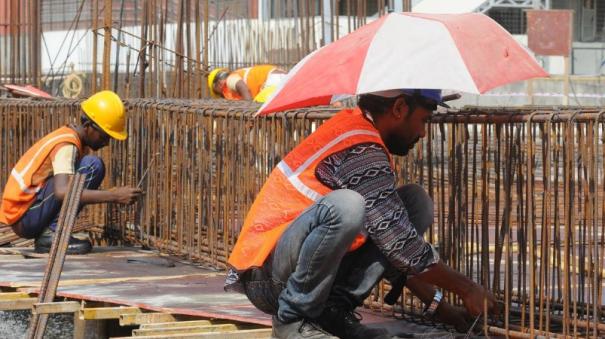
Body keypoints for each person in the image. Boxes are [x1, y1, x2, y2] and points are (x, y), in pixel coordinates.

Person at [225, 89, 500, 339]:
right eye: (424, 120)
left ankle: (332, 314)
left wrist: (439, 306)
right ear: (399, 108)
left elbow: (392, 249)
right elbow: (401, 246)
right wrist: (466, 288)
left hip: (298, 270)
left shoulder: (365, 135)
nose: (424, 133)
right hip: (268, 277)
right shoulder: (359, 148)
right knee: (347, 206)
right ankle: (292, 320)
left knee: (414, 203)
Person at [0, 90, 143, 255]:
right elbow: (61, 192)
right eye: (104, 136)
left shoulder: (70, 138)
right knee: (92, 166)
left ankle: (53, 233)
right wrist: (114, 196)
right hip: (24, 217)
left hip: (26, 213)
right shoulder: (67, 144)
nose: (106, 143)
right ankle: (53, 234)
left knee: (88, 166)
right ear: (88, 126)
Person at [208, 65, 287, 102]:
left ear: (218, 84)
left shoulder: (230, 79)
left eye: (216, 92)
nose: (221, 95)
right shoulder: (237, 75)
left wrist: (248, 110)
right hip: (281, 79)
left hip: (275, 79)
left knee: (260, 107)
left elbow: (242, 87)